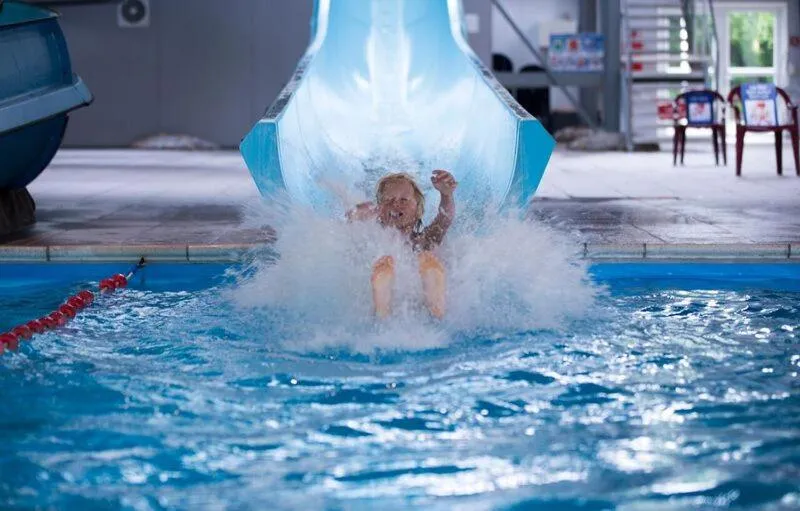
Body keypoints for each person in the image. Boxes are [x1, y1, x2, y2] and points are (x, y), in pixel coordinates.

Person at [347, 170, 457, 319]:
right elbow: (352, 218)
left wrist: (446, 195)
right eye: (388, 200)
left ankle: (435, 303)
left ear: (418, 209)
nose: (396, 204)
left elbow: (444, 219)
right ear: (379, 209)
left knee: (426, 258)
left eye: (404, 200)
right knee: (384, 263)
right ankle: (381, 307)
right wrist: (362, 211)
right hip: (385, 288)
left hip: (420, 294)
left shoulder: (424, 239)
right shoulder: (374, 237)